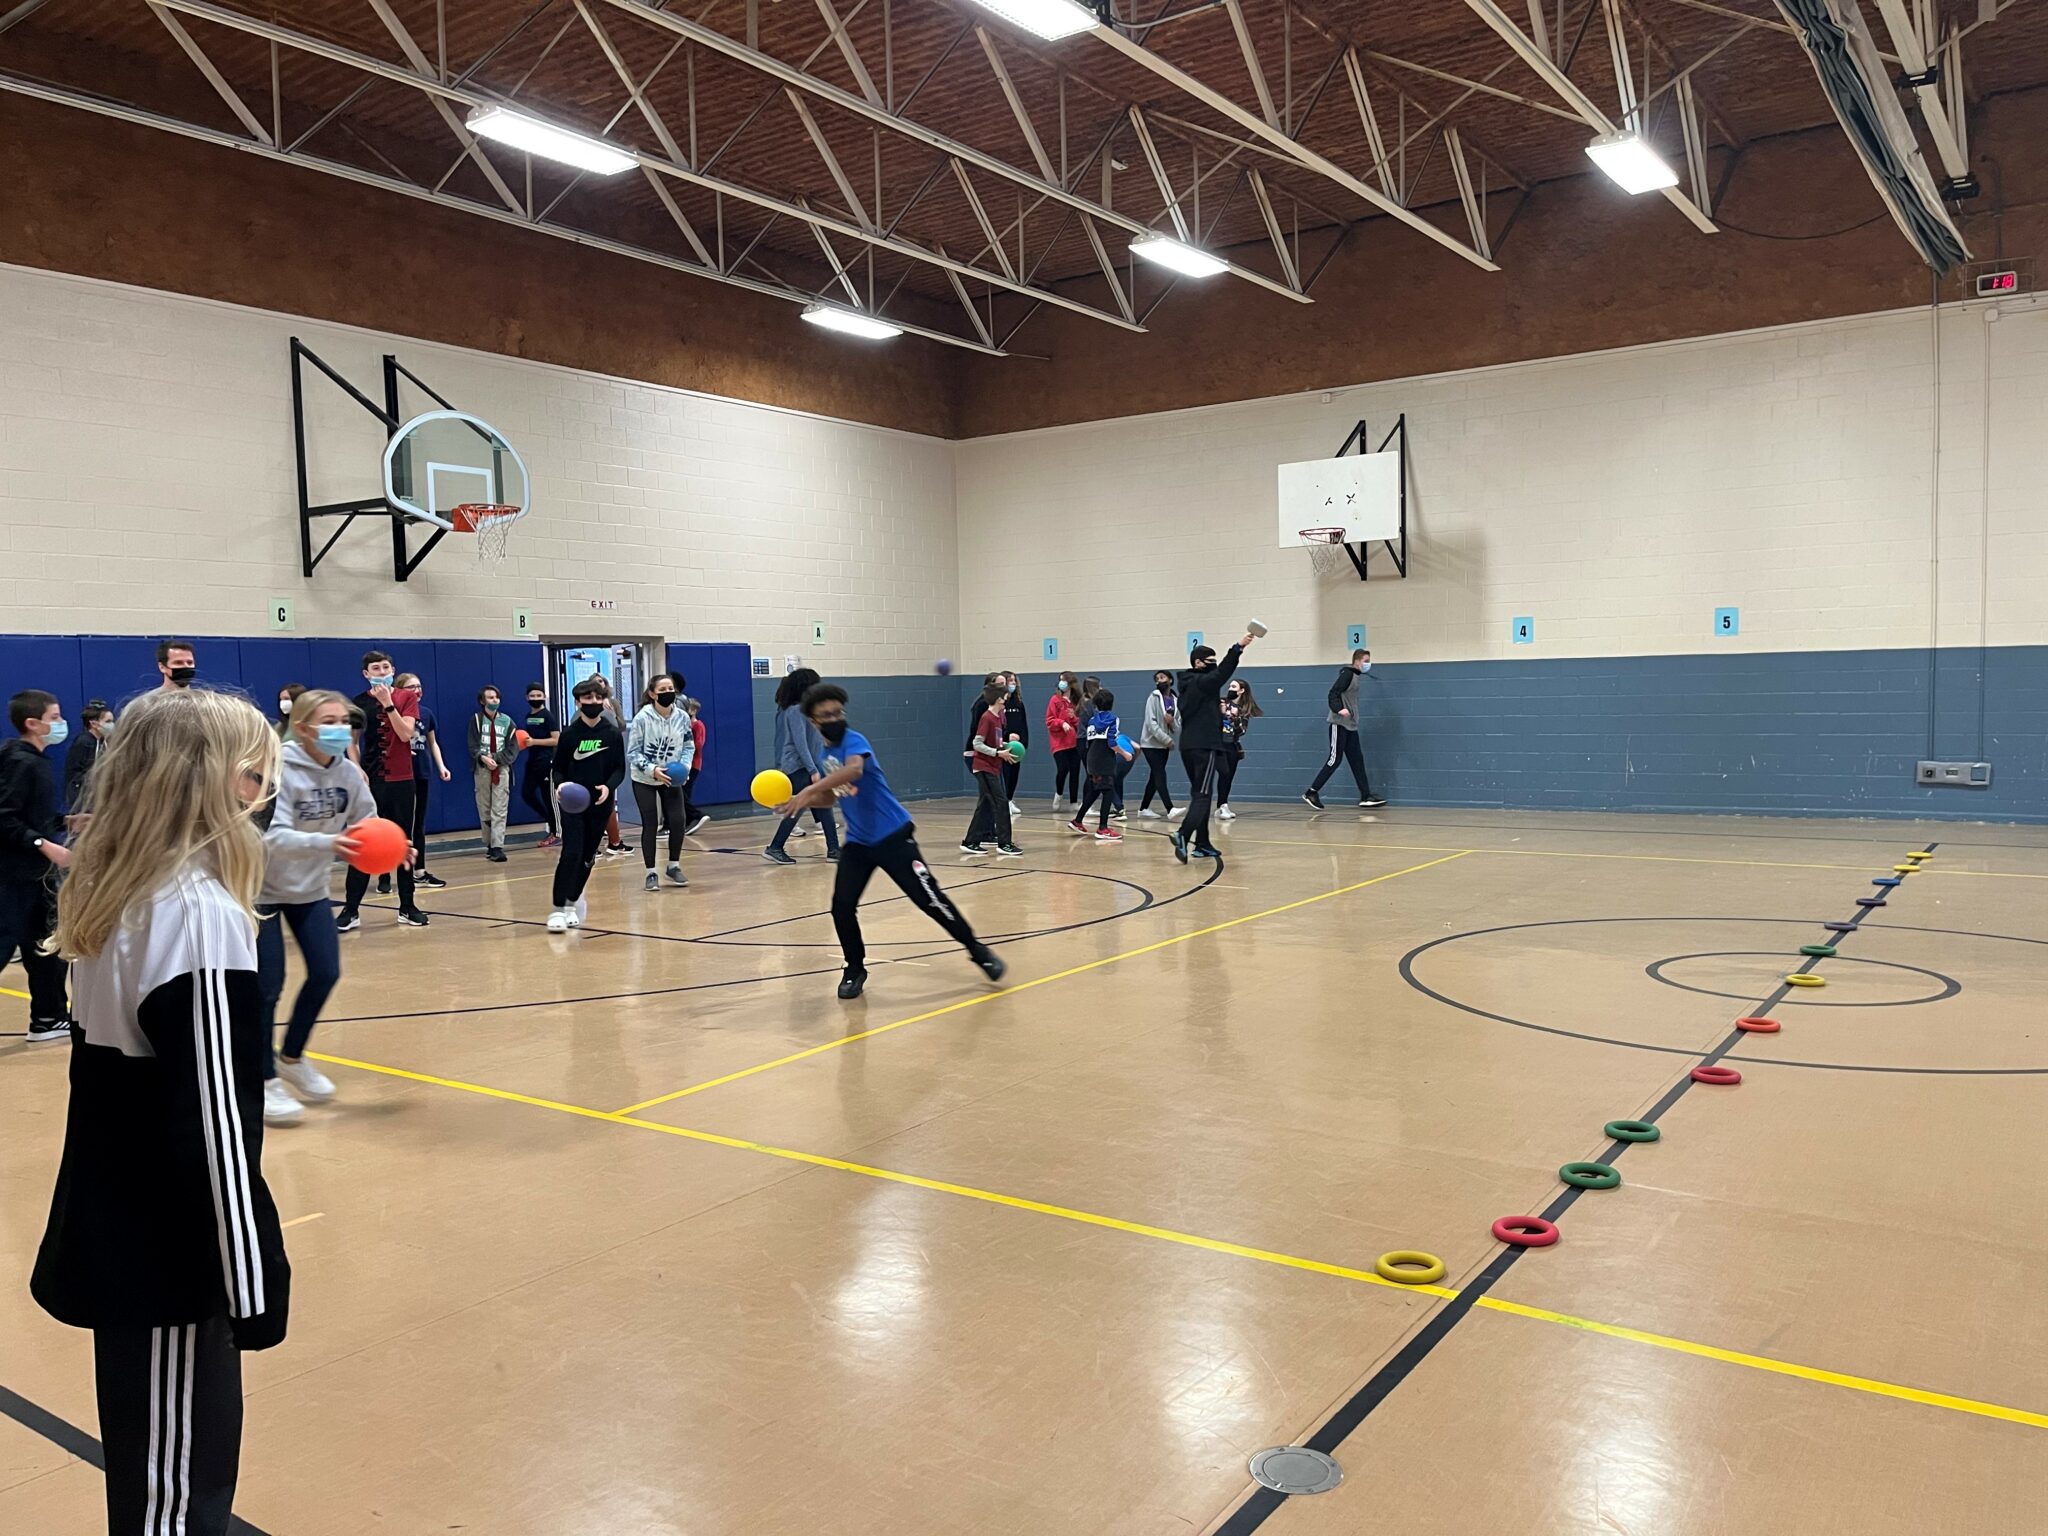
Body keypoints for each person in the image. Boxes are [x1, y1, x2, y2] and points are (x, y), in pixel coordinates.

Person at [31, 686, 290, 1536]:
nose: (262, 787)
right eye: (253, 771)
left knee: (156, 1481)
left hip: (123, 1230)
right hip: (170, 1262)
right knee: (176, 1502)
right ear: (217, 782)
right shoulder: (195, 916)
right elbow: (215, 1124)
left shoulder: (119, 889)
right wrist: (251, 1279)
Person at [778, 683, 1003, 1000]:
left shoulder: (854, 741)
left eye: (837, 712)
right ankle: (854, 968)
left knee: (930, 900)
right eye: (825, 715)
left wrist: (807, 791)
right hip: (858, 843)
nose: (834, 718)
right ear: (814, 722)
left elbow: (854, 771)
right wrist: (798, 801)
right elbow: (831, 798)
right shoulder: (824, 754)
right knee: (841, 907)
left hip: (893, 836)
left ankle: (977, 950)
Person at [258, 690, 376, 1126]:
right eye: (329, 721)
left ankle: (291, 1057)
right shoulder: (279, 769)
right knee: (267, 986)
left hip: (308, 888)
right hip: (260, 888)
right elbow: (271, 836)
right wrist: (328, 842)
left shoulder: (347, 771)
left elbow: (367, 822)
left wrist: (392, 848)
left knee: (326, 971)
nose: (340, 729)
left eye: (345, 721)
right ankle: (265, 1079)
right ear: (304, 727)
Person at [1, 690, 71, 1043]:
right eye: (55, 717)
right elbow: (6, 818)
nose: (60, 723)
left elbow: (34, 816)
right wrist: (45, 846)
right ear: (33, 723)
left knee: (47, 946)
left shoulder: (36, 762)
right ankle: (49, 1014)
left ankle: (48, 1017)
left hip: (34, 877)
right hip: (14, 877)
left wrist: (68, 821)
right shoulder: (21, 762)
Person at [340, 651, 428, 930]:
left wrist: (388, 704)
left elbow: (405, 734)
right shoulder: (359, 703)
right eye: (375, 668)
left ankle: (407, 905)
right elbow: (351, 741)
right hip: (372, 781)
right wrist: (356, 768)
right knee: (363, 840)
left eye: (386, 667)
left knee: (404, 841)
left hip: (403, 780)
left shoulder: (406, 698)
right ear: (366, 673)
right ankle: (351, 909)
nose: (381, 671)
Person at [546, 676, 625, 932]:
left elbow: (619, 769)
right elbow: (557, 769)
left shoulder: (612, 733)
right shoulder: (570, 734)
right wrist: (560, 785)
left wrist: (608, 787)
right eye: (588, 698)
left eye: (598, 698)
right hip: (572, 803)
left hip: (600, 803)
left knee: (588, 856)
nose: (594, 702)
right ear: (578, 701)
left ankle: (571, 903)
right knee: (571, 853)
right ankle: (557, 908)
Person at [1172, 632, 1258, 863]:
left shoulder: (1188, 684)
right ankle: (1183, 834)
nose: (1214, 665)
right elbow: (1221, 673)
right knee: (1203, 795)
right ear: (1198, 663)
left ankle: (1202, 843)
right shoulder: (1202, 682)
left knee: (1199, 792)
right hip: (1205, 745)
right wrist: (1238, 648)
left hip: (1188, 745)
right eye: (1210, 661)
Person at [764, 667, 839, 865]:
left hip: (810, 766)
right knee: (799, 806)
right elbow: (800, 744)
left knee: (823, 806)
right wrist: (813, 770)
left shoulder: (807, 710)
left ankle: (834, 850)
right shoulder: (795, 711)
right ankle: (775, 847)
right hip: (798, 768)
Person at [626, 672, 693, 892]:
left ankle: (673, 866)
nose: (667, 693)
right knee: (650, 823)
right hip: (645, 777)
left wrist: (683, 767)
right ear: (652, 694)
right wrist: (652, 770)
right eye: (662, 690)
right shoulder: (642, 718)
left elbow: (688, 746)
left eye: (670, 689)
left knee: (677, 820)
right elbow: (633, 752)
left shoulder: (682, 717)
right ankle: (650, 872)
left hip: (671, 777)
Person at [1303, 648, 1386, 809]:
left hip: (1351, 726)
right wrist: (1339, 709)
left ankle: (1365, 795)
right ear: (1357, 661)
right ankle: (1311, 792)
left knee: (1357, 761)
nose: (1368, 664)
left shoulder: (1356, 676)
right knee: (1335, 759)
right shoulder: (1347, 674)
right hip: (1339, 724)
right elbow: (1333, 693)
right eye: (1366, 661)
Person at [394, 672, 451, 891]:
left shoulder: (426, 714)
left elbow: (432, 742)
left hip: (421, 772)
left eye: (418, 686)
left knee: (419, 823)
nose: (416, 690)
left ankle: (419, 871)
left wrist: (441, 766)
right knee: (398, 824)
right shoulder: (394, 714)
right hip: (399, 775)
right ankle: (386, 874)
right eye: (410, 687)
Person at [961, 678, 1021, 857]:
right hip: (984, 767)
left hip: (993, 766)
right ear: (999, 699)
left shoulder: (998, 718)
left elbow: (995, 742)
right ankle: (1005, 844)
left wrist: (1007, 745)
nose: (1007, 698)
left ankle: (971, 841)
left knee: (985, 804)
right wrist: (996, 753)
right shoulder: (987, 718)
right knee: (1001, 802)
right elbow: (977, 743)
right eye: (1005, 696)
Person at [1067, 688, 1130, 841]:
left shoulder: (1092, 720)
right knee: (1108, 791)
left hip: (1091, 757)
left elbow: (1089, 740)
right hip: (1104, 759)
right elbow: (1111, 742)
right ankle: (1103, 828)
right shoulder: (1113, 719)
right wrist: (1124, 753)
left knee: (1095, 790)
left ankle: (1077, 821)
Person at [468, 686, 520, 863]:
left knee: (499, 807)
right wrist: (482, 757)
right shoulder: (476, 720)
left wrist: (497, 759)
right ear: (482, 701)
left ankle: (498, 846)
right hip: (482, 769)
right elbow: (472, 746)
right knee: (485, 808)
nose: (494, 700)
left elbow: (513, 749)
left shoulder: (508, 722)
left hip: (501, 768)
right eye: (490, 698)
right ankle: (489, 843)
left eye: (497, 697)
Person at [519, 682, 561, 848]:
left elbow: (556, 739)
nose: (535, 698)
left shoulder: (547, 716)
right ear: (527, 698)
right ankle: (550, 821)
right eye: (532, 696)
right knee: (527, 793)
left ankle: (557, 832)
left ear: (544, 697)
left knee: (549, 798)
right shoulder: (529, 716)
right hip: (532, 761)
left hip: (546, 761)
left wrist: (534, 742)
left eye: (538, 695)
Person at [1217, 679, 1264, 819]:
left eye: (1234, 686)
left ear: (1241, 690)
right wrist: (1222, 713)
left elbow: (1242, 730)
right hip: (1217, 743)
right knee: (1224, 773)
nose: (1230, 688)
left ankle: (1222, 804)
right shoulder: (1222, 702)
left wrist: (1234, 718)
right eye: (1230, 686)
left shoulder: (1243, 710)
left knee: (1229, 776)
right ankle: (1222, 805)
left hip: (1231, 743)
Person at [1137, 671, 1178, 820]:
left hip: (1163, 746)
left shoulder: (1175, 700)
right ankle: (1170, 808)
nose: (1159, 681)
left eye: (1162, 677)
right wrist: (1166, 739)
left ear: (1170, 680)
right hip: (1150, 744)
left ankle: (1143, 808)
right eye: (1157, 679)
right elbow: (1151, 723)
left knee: (1154, 777)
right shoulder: (1153, 697)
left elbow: (1178, 725)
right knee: (1160, 773)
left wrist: (1171, 722)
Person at [65, 699, 113, 810]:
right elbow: (75, 774)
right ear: (94, 723)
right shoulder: (83, 742)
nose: (112, 725)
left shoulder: (103, 742)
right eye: (108, 721)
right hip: (84, 800)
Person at [1046, 671, 1081, 809]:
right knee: (1062, 768)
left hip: (1074, 742)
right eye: (1060, 680)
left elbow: (1080, 722)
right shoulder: (1054, 700)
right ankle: (1059, 793)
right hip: (1059, 742)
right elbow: (1050, 720)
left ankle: (1073, 802)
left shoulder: (1076, 702)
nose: (1062, 683)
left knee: (1075, 770)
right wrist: (1061, 723)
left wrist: (1073, 718)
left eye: (1064, 680)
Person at [1000, 674, 1029, 817]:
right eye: (1009, 681)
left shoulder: (1019, 703)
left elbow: (1023, 724)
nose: (1012, 683)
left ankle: (1010, 799)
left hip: (1017, 745)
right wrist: (1006, 737)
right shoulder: (1000, 703)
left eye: (1014, 681)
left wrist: (1023, 742)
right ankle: (1004, 801)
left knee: (1014, 774)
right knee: (1005, 774)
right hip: (1004, 745)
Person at [683, 696, 710, 835]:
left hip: (693, 765)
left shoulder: (698, 725)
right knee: (684, 794)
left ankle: (696, 815)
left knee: (682, 794)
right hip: (685, 764)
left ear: (693, 710)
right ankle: (688, 821)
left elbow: (698, 745)